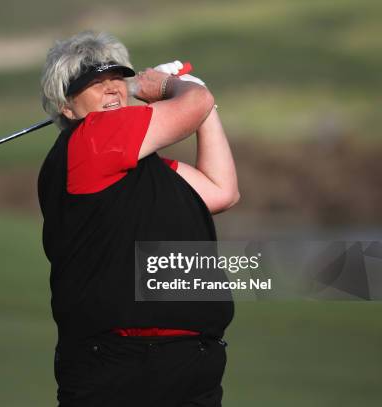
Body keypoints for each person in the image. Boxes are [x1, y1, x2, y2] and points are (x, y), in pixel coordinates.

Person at [38, 31, 239, 407]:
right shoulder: (89, 143)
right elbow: (192, 104)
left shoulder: (145, 168)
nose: (112, 89)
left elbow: (220, 189)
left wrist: (202, 103)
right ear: (66, 107)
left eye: (117, 78)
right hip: (117, 363)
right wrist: (173, 87)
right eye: (94, 83)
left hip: (190, 362)